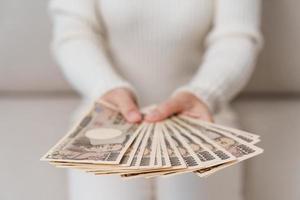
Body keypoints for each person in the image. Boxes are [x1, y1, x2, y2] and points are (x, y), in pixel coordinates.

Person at [49, 0, 263, 199]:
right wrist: (106, 87)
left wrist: (203, 93)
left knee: (189, 185)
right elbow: (74, 33)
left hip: (203, 114)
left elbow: (236, 36)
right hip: (105, 113)